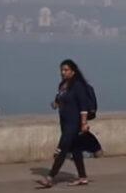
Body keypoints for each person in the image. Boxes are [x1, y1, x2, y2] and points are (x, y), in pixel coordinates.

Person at [37, 60, 96, 188]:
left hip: (74, 123)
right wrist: (56, 104)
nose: (63, 72)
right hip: (65, 122)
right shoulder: (63, 85)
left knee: (62, 150)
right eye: (62, 70)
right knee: (75, 150)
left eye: (66, 70)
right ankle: (82, 177)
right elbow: (60, 99)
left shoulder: (78, 85)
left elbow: (83, 106)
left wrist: (84, 123)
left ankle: (50, 178)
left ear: (73, 71)